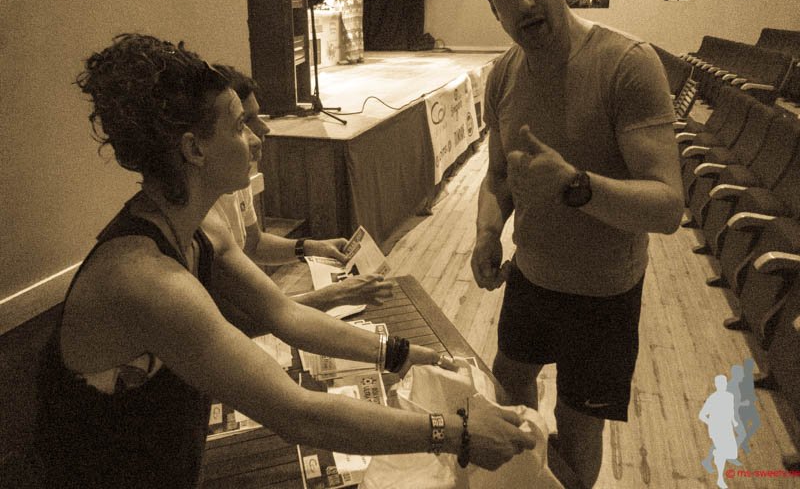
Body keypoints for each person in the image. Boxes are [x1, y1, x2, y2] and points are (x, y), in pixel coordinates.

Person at [35, 34, 537, 488]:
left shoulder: (201, 225)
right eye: (239, 126)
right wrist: (455, 433)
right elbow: (297, 414)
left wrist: (404, 353)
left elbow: (286, 315)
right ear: (194, 150)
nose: (257, 138)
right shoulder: (145, 280)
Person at [470, 0, 683, 487]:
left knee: (577, 427)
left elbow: (667, 207)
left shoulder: (628, 63)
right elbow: (498, 177)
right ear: (493, 8)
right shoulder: (502, 76)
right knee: (508, 386)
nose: (525, 1)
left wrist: (573, 185)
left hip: (604, 296)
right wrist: (487, 233)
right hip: (532, 278)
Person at [205, 64, 391, 322]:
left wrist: (311, 247)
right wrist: (336, 295)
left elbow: (254, 244)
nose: (262, 131)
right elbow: (237, 319)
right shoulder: (199, 219)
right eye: (243, 123)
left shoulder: (234, 178)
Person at [699, 375, 739, 489]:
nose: (723, 385)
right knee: (723, 452)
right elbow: (702, 415)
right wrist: (711, 423)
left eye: (724, 383)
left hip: (727, 427)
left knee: (732, 453)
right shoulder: (713, 399)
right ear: (717, 385)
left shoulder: (730, 396)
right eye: (721, 384)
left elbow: (730, 411)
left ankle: (714, 455)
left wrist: (734, 422)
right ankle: (720, 479)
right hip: (717, 429)